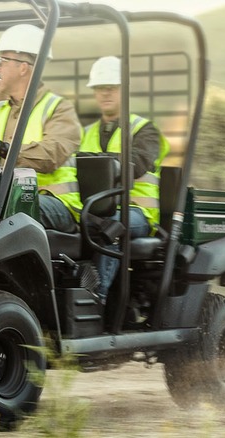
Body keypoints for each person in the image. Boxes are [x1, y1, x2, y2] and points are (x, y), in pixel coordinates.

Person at [0, 24, 83, 233]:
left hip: (51, 200)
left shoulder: (59, 109)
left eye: (2, 61)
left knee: (6, 209)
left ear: (23, 67)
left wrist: (4, 149)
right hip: (1, 197)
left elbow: (51, 154)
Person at [79, 55, 170, 304]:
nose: (105, 93)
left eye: (111, 87)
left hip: (136, 213)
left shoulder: (145, 130)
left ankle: (96, 298)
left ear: (124, 90)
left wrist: (103, 162)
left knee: (113, 227)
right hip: (95, 209)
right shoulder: (85, 133)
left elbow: (139, 162)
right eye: (99, 88)